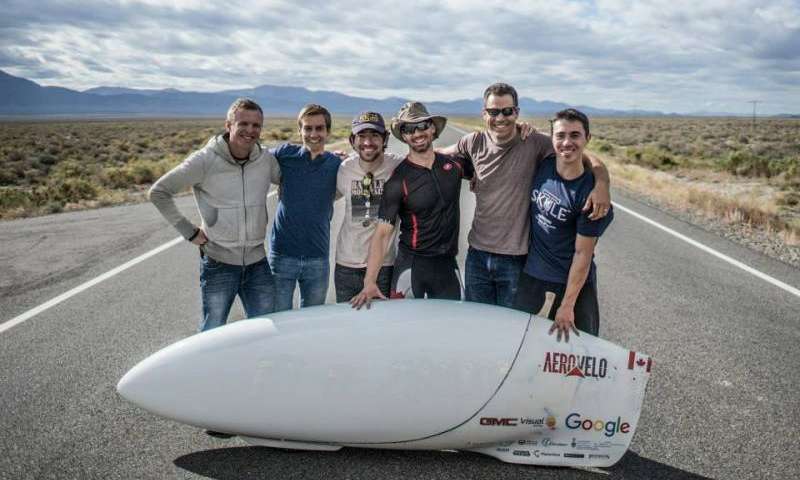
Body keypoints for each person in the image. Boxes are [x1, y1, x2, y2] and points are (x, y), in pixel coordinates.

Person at [438, 83, 610, 308]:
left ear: (516, 113)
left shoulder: (534, 142)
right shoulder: (474, 142)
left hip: (516, 259)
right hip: (477, 255)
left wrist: (602, 183)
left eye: (507, 111)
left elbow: (580, 154)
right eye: (494, 111)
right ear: (484, 114)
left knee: (512, 331)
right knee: (478, 326)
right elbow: (438, 155)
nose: (501, 117)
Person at [149, 97, 279, 333]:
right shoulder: (205, 160)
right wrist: (188, 232)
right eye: (243, 124)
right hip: (219, 264)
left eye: (256, 125)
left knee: (266, 330)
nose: (250, 130)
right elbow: (159, 192)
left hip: (257, 263)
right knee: (212, 331)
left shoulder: (265, 160)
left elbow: (295, 179)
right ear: (229, 125)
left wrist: (330, 161)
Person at [350, 102, 473, 309]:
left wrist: (520, 131)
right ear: (403, 136)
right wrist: (369, 282)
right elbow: (381, 234)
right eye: (408, 129)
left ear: (433, 128)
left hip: (447, 264)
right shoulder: (398, 180)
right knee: (404, 332)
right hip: (413, 267)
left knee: (450, 330)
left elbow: (490, 164)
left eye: (422, 125)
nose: (417, 133)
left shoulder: (454, 166)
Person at [513, 108, 614, 342]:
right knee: (523, 346)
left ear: (588, 139)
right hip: (533, 277)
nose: (567, 142)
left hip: (572, 286)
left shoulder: (591, 197)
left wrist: (568, 304)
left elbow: (582, 254)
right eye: (560, 135)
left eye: (575, 135)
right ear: (552, 139)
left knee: (573, 354)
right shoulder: (545, 165)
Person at [269, 104, 341, 311]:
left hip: (317, 258)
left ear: (327, 131)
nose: (313, 134)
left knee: (311, 322)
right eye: (307, 128)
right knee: (278, 320)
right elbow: (254, 155)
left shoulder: (336, 164)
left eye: (319, 128)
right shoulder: (285, 154)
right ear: (299, 130)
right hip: (282, 256)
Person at [334, 112, 404, 302]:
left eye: (374, 135)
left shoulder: (398, 166)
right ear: (352, 140)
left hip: (384, 265)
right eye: (362, 136)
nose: (368, 142)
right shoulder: (343, 169)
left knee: (381, 326)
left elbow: (426, 159)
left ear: (384, 139)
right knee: (348, 323)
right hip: (346, 264)